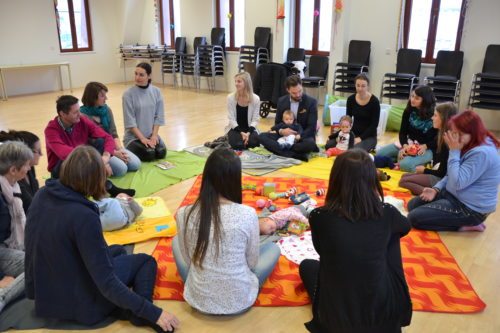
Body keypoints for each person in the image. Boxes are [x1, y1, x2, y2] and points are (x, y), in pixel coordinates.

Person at [25, 146, 179, 332]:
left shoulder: (42, 194)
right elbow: (106, 282)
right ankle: (138, 314)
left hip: (47, 297)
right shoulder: (83, 215)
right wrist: (153, 313)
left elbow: (30, 249)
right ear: (96, 179)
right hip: (80, 304)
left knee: (117, 250)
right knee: (145, 261)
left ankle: (129, 307)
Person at [299, 149, 412, 333]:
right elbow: (405, 226)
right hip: (384, 316)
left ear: (335, 179)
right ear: (372, 180)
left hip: (337, 320)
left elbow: (322, 251)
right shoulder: (387, 212)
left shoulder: (319, 216)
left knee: (307, 266)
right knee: (391, 236)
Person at [172, 148, 281, 315]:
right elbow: (251, 263)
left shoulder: (183, 214)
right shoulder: (248, 214)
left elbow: (189, 259)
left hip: (198, 299)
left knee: (175, 241)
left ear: (206, 176)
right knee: (273, 248)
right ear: (235, 179)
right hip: (240, 300)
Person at [407, 110, 500, 232]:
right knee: (412, 205)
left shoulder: (482, 153)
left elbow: (458, 183)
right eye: (454, 132)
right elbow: (450, 174)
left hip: (470, 209)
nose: (454, 137)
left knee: (414, 218)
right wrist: (436, 189)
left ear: (472, 133)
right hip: (454, 195)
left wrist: (454, 151)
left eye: (458, 134)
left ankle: (468, 225)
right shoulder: (469, 142)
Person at [45, 95, 134, 197]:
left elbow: (107, 137)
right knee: (70, 158)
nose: (80, 114)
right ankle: (106, 186)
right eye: (75, 112)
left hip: (82, 162)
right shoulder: (51, 130)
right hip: (62, 168)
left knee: (100, 143)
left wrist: (105, 157)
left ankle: (101, 186)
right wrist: (99, 163)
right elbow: (65, 154)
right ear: (62, 114)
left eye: (79, 110)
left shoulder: (82, 120)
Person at [81, 81, 141, 176]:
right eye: (102, 96)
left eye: (105, 95)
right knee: (122, 169)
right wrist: (114, 153)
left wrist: (120, 149)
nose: (106, 98)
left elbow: (113, 133)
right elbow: (91, 143)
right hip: (98, 150)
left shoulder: (107, 110)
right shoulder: (83, 116)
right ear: (93, 98)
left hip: (111, 146)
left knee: (135, 164)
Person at [399, 102, 458, 195]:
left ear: (443, 118)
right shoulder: (443, 135)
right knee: (404, 176)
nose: (432, 118)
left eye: (435, 116)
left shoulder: (448, 141)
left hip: (443, 179)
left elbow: (442, 173)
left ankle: (434, 194)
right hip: (440, 174)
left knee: (403, 182)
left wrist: (424, 170)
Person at [0, 142, 31, 312]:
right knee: (38, 265)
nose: (29, 167)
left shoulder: (15, 187)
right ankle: (2, 297)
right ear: (13, 170)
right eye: (26, 164)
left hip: (9, 247)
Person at [376, 85, 437, 172]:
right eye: (412, 96)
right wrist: (405, 146)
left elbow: (438, 140)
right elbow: (402, 133)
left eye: (417, 98)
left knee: (405, 164)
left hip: (427, 148)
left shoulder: (434, 116)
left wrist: (425, 146)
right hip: (410, 143)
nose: (412, 99)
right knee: (379, 154)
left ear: (425, 100)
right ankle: (405, 160)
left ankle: (414, 163)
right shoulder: (408, 111)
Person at [259, 75, 319, 161]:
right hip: (283, 136)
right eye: (294, 93)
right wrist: (281, 131)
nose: (298, 94)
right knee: (261, 137)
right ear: (288, 90)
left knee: (310, 144)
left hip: (302, 137)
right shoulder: (281, 101)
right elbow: (277, 123)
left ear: (302, 86)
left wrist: (298, 136)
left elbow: (311, 127)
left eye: (300, 91)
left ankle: (280, 150)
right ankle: (294, 154)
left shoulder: (311, 102)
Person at [123, 63, 167, 162]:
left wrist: (154, 136)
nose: (137, 77)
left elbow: (159, 117)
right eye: (136, 74)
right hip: (134, 138)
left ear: (149, 76)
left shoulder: (157, 92)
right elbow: (130, 122)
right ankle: (133, 146)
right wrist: (142, 139)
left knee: (161, 152)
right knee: (149, 154)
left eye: (141, 75)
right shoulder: (128, 94)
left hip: (151, 135)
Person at [327, 73, 380, 151]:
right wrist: (335, 136)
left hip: (369, 136)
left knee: (353, 151)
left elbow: (374, 125)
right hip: (352, 133)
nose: (360, 88)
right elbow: (347, 121)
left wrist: (360, 138)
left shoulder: (374, 101)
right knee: (329, 145)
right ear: (355, 85)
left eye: (363, 86)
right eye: (358, 85)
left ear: (368, 86)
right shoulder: (351, 99)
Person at [0, 130, 41, 213]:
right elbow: (31, 206)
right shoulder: (16, 179)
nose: (41, 154)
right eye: (38, 151)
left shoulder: (28, 169)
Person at [225, 72, 261, 150]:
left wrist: (248, 133)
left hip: (249, 128)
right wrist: (241, 133)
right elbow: (231, 119)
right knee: (237, 145)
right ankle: (229, 138)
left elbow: (255, 119)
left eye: (239, 81)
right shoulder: (230, 97)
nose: (236, 84)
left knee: (254, 144)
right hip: (236, 128)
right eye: (235, 81)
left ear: (246, 83)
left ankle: (244, 139)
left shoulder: (256, 99)